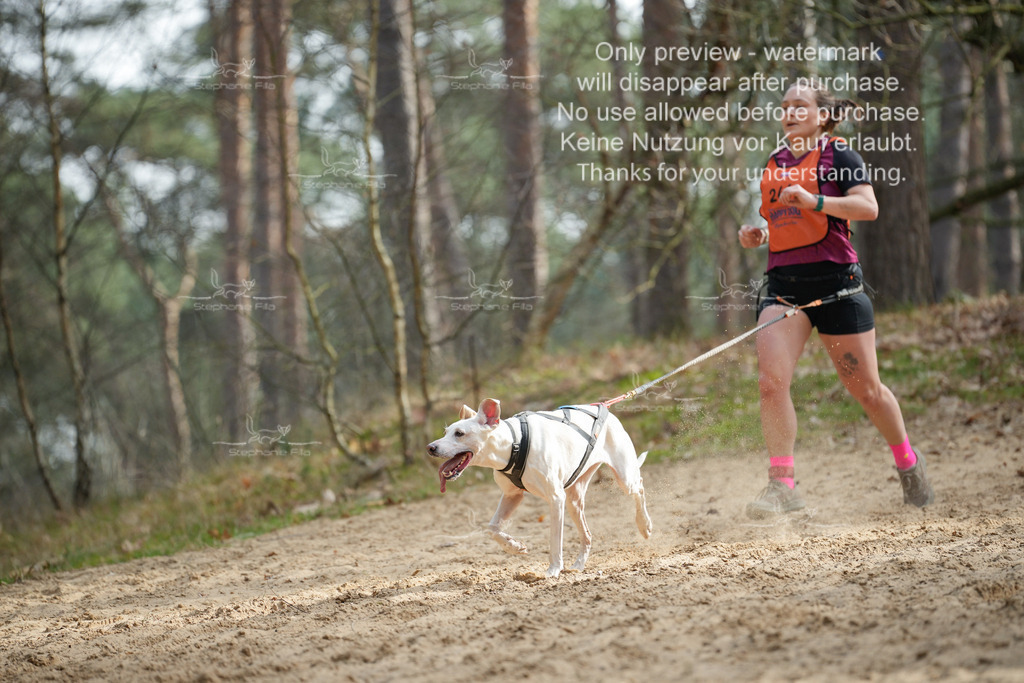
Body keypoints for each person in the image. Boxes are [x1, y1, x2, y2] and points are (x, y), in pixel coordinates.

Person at [737, 80, 933, 518]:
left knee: (867, 392)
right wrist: (759, 234)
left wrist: (816, 199)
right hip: (784, 287)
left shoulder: (839, 155)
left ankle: (907, 461)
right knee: (771, 383)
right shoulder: (774, 160)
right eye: (784, 106)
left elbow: (868, 207)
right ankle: (782, 483)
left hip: (838, 287)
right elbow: (788, 221)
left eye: (800, 106)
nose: (789, 112)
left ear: (822, 115)